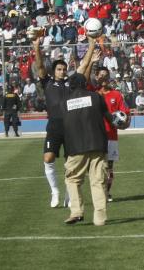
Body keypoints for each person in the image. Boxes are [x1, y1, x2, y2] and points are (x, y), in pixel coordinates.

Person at [34, 34, 98, 208]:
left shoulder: (72, 82)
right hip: (54, 126)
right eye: (59, 69)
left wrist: (92, 44)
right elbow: (39, 65)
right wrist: (36, 47)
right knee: (48, 158)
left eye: (64, 69)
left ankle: (70, 195)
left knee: (73, 163)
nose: (62, 72)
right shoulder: (47, 83)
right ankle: (55, 191)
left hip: (72, 127)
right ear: (54, 71)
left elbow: (84, 65)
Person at [61, 73, 112, 226]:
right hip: (97, 144)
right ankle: (100, 219)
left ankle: (76, 211)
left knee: (72, 179)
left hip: (75, 147)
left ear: (70, 85)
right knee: (98, 181)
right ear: (85, 84)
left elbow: (61, 125)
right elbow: (110, 117)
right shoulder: (96, 97)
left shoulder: (64, 102)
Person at [88, 66, 130, 201]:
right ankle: (98, 192)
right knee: (96, 166)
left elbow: (125, 115)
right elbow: (85, 78)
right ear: (96, 77)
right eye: (101, 75)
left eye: (106, 75)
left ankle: (106, 192)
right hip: (95, 135)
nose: (104, 78)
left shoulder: (116, 95)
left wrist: (125, 124)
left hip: (111, 136)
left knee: (109, 167)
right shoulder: (92, 93)